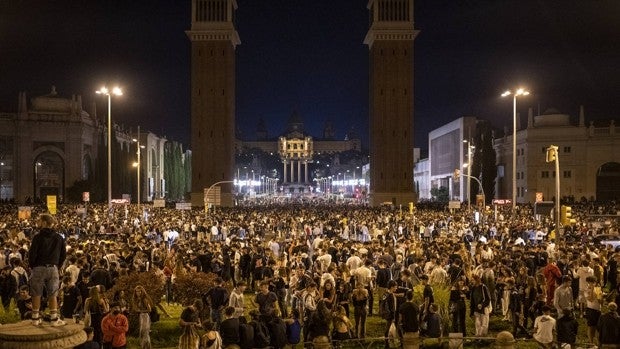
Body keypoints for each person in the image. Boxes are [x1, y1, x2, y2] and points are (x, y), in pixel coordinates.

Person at [28, 213, 67, 326]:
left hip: (39, 267)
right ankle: (54, 319)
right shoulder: (59, 237)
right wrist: (57, 266)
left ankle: (35, 318)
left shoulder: (37, 237)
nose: (37, 222)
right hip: (53, 268)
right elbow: (63, 255)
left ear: (44, 223)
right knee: (53, 293)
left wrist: (33, 266)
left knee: (36, 293)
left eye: (39, 220)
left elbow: (32, 254)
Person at [130, 285, 153, 349]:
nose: (138, 293)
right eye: (137, 292)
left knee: (145, 332)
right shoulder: (137, 299)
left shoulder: (144, 299)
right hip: (141, 316)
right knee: (142, 332)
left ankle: (147, 347)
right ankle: (144, 346)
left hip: (145, 316)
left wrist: (140, 311)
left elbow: (149, 309)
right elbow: (135, 308)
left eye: (140, 291)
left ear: (142, 292)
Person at [382, 280, 398, 349]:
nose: (396, 288)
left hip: (386, 314)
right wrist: (393, 317)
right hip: (390, 315)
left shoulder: (385, 294)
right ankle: (387, 344)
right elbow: (393, 308)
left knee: (388, 329)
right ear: (391, 287)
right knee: (388, 330)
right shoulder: (391, 296)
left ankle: (387, 343)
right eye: (395, 287)